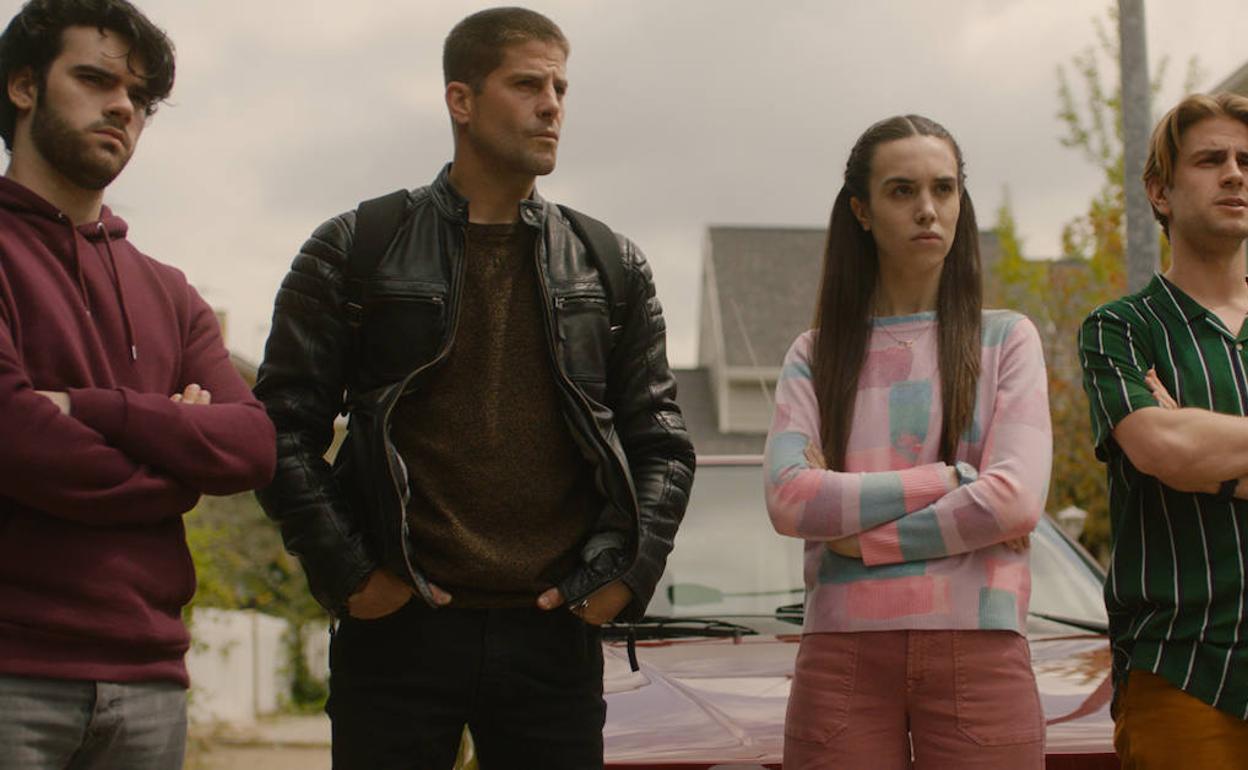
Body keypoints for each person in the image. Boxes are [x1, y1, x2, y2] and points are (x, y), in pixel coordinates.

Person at [254, 6, 694, 769]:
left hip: (554, 628)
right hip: (400, 626)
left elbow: (662, 444)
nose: (551, 105)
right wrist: (351, 575)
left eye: (560, 87)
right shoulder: (357, 247)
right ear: (461, 100)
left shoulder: (609, 264)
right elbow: (279, 429)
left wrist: (626, 575)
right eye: (527, 84)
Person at [0, 1, 277, 768]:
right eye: (95, 79)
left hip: (150, 682)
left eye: (140, 96)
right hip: (11, 672)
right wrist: (176, 457)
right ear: (24, 86)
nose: (124, 106)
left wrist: (86, 408)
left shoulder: (171, 292)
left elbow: (254, 446)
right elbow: (16, 439)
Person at [763, 114, 1052, 769]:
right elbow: (790, 500)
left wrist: (861, 540)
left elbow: (1013, 501)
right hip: (842, 656)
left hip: (982, 646)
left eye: (943, 189)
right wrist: (950, 478)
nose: (928, 209)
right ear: (861, 211)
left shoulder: (1008, 340)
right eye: (902, 191)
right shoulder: (815, 355)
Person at [1078, 91, 1248, 768]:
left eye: (1246, 161)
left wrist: (1211, 464)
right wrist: (1180, 446)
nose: (1234, 173)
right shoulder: (1120, 328)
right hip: (1184, 669)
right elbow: (1161, 447)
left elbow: (1186, 451)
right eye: (1211, 160)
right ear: (1160, 191)